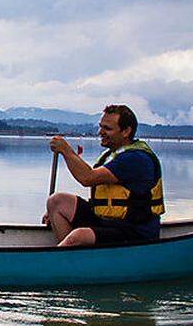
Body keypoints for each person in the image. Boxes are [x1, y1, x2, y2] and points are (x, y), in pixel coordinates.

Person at [43, 104, 164, 246]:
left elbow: (87, 178)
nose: (100, 132)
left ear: (126, 131)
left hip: (134, 231)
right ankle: (73, 256)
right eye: (100, 126)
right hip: (107, 222)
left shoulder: (135, 159)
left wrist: (66, 151)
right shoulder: (111, 155)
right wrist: (51, 213)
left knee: (79, 236)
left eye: (107, 128)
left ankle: (63, 260)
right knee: (57, 201)